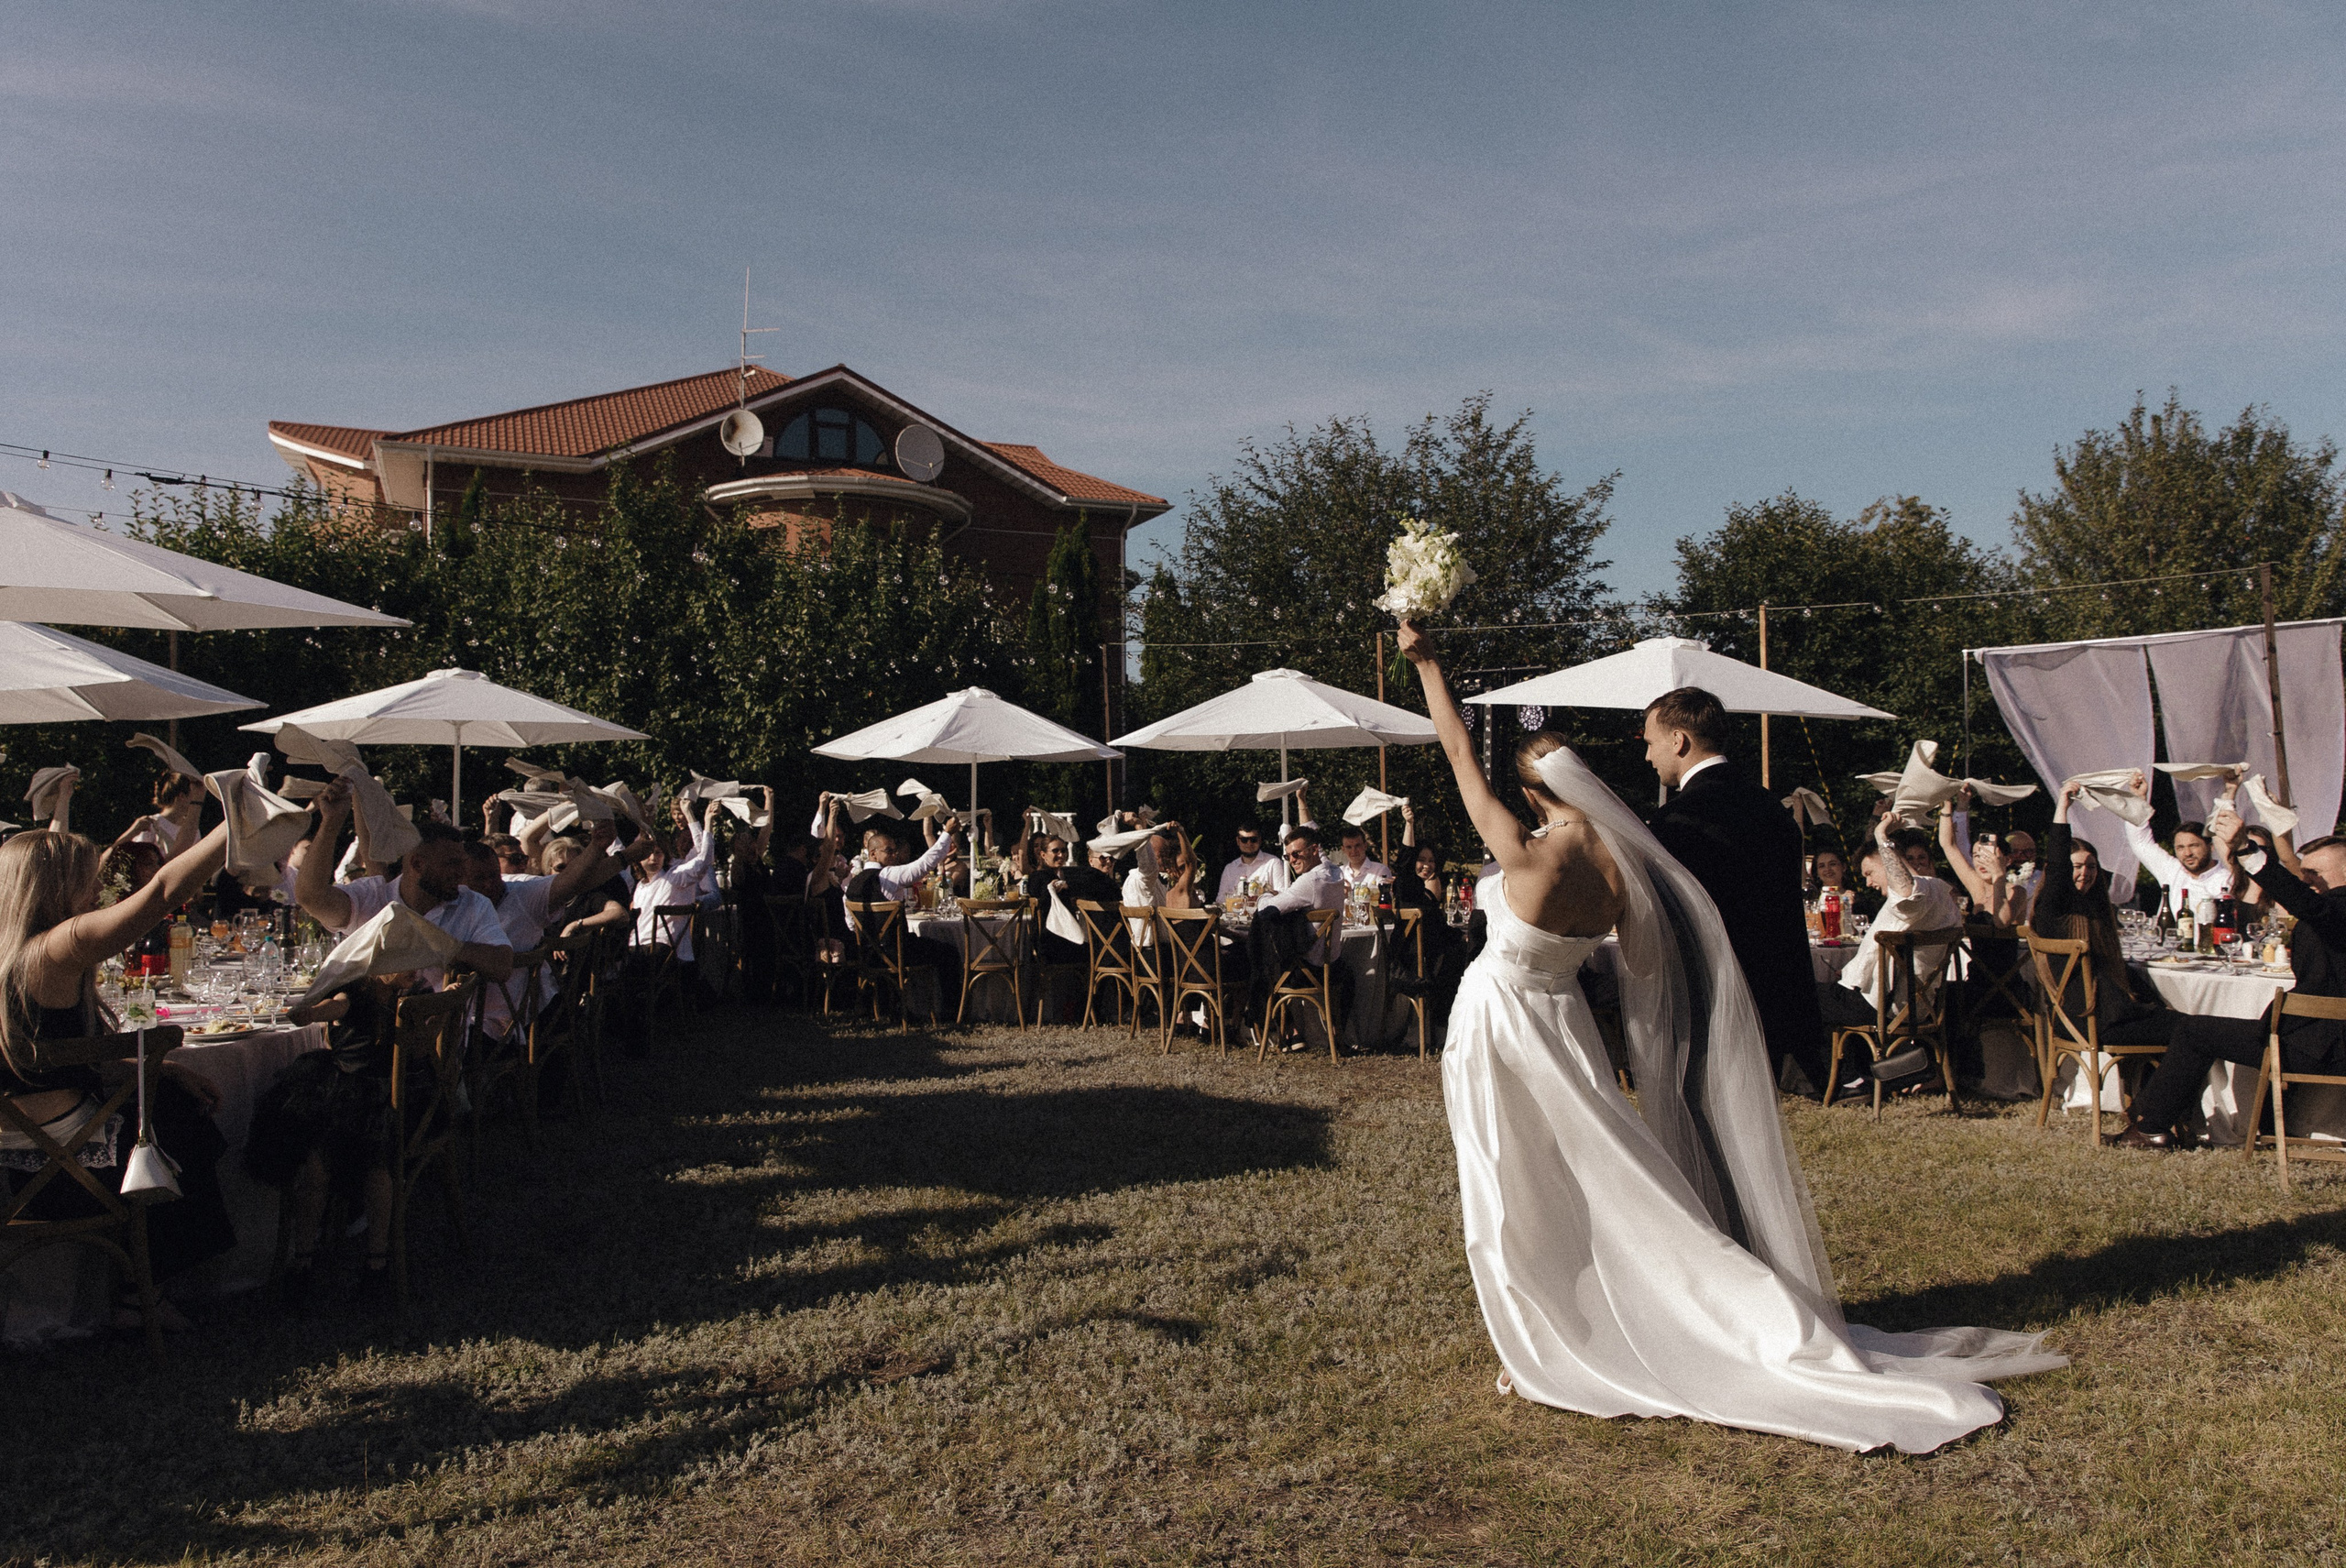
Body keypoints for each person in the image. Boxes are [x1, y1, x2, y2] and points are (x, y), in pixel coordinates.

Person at [1396, 619, 2064, 1453]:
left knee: (1511, 1176)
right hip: (1563, 1025)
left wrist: (1426, 664)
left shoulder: (1525, 856)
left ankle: (1553, 1338)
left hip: (1503, 1022)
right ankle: (1624, 1311)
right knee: (1602, 1167)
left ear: (1535, 797)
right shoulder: (1622, 862)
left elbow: (1458, 753)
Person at [0, 819, 240, 1332]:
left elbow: (45, 1054)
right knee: (180, 1119)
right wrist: (233, 826)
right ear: (54, 886)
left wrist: (158, 1067)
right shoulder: (56, 945)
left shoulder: (10, 953)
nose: (98, 892)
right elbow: (162, 893)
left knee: (167, 1099)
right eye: (88, 880)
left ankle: (144, 1288)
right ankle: (143, 1293)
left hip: (12, 1160)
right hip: (58, 1173)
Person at [2107, 818, 2345, 1149]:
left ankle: (2150, 1128)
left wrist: (2246, 849)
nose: (2308, 882)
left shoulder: (2338, 908)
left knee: (2194, 1031)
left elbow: (2311, 906)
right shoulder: (2331, 912)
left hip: (2325, 1048)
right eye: (2305, 876)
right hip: (2322, 1039)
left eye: (2316, 875)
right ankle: (2153, 1120)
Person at [1643, 685, 1831, 1097]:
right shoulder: (1772, 809)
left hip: (1710, 1002)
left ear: (1679, 740)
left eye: (1651, 743)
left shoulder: (1678, 820)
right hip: (1777, 1000)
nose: (1647, 756)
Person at [1813, 817, 1966, 1091]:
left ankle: (1849, 1080)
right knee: (1822, 993)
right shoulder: (1941, 895)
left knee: (1798, 1000)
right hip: (1917, 1005)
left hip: (1885, 1006)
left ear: (1887, 860)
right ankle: (1863, 1073)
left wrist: (1882, 836)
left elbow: (1908, 892)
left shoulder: (1915, 898)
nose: (1869, 882)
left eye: (1870, 872)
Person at [2026, 781, 2175, 1049]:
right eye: (2078, 866)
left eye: (2092, 866)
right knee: (2190, 1031)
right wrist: (2063, 806)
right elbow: (2058, 865)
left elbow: (2116, 968)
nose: (2085, 872)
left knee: (2190, 1029)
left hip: (2104, 1016)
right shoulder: (2054, 911)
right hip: (2093, 1021)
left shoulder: (2095, 911)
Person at [1247, 824, 1351, 1048]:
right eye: (1288, 856)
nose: (1292, 860)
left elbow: (1267, 911)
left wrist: (1265, 894)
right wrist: (1302, 802)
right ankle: (1297, 1031)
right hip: (1334, 964)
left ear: (1314, 850)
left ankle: (1281, 1029)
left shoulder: (1308, 882)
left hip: (1308, 970)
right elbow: (1316, 840)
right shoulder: (1335, 872)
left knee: (1264, 959)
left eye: (1297, 854)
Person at [842, 817, 963, 1011]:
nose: (894, 855)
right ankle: (950, 1012)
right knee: (949, 953)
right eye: (889, 851)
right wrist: (947, 834)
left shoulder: (851, 885)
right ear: (873, 854)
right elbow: (924, 865)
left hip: (867, 956)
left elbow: (850, 925)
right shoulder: (888, 875)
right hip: (897, 953)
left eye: (895, 850)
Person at [2118, 770, 2233, 919]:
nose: (2187, 853)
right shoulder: (2172, 871)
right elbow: (2140, 842)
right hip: (2171, 941)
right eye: (2180, 848)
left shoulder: (2227, 878)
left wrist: (2230, 791)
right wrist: (2139, 799)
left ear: (2210, 846)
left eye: (2194, 846)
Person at [1216, 824, 1287, 901]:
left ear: (1259, 840)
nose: (1249, 843)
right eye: (1244, 840)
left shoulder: (1273, 863)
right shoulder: (1229, 869)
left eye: (1253, 839)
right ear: (1238, 841)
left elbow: (1282, 895)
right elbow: (1221, 900)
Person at [1332, 824, 1392, 890]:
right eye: (1349, 847)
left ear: (1365, 846)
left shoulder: (1380, 871)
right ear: (1343, 849)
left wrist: (1350, 893)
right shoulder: (1339, 873)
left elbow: (1385, 898)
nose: (1353, 851)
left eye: (1357, 846)